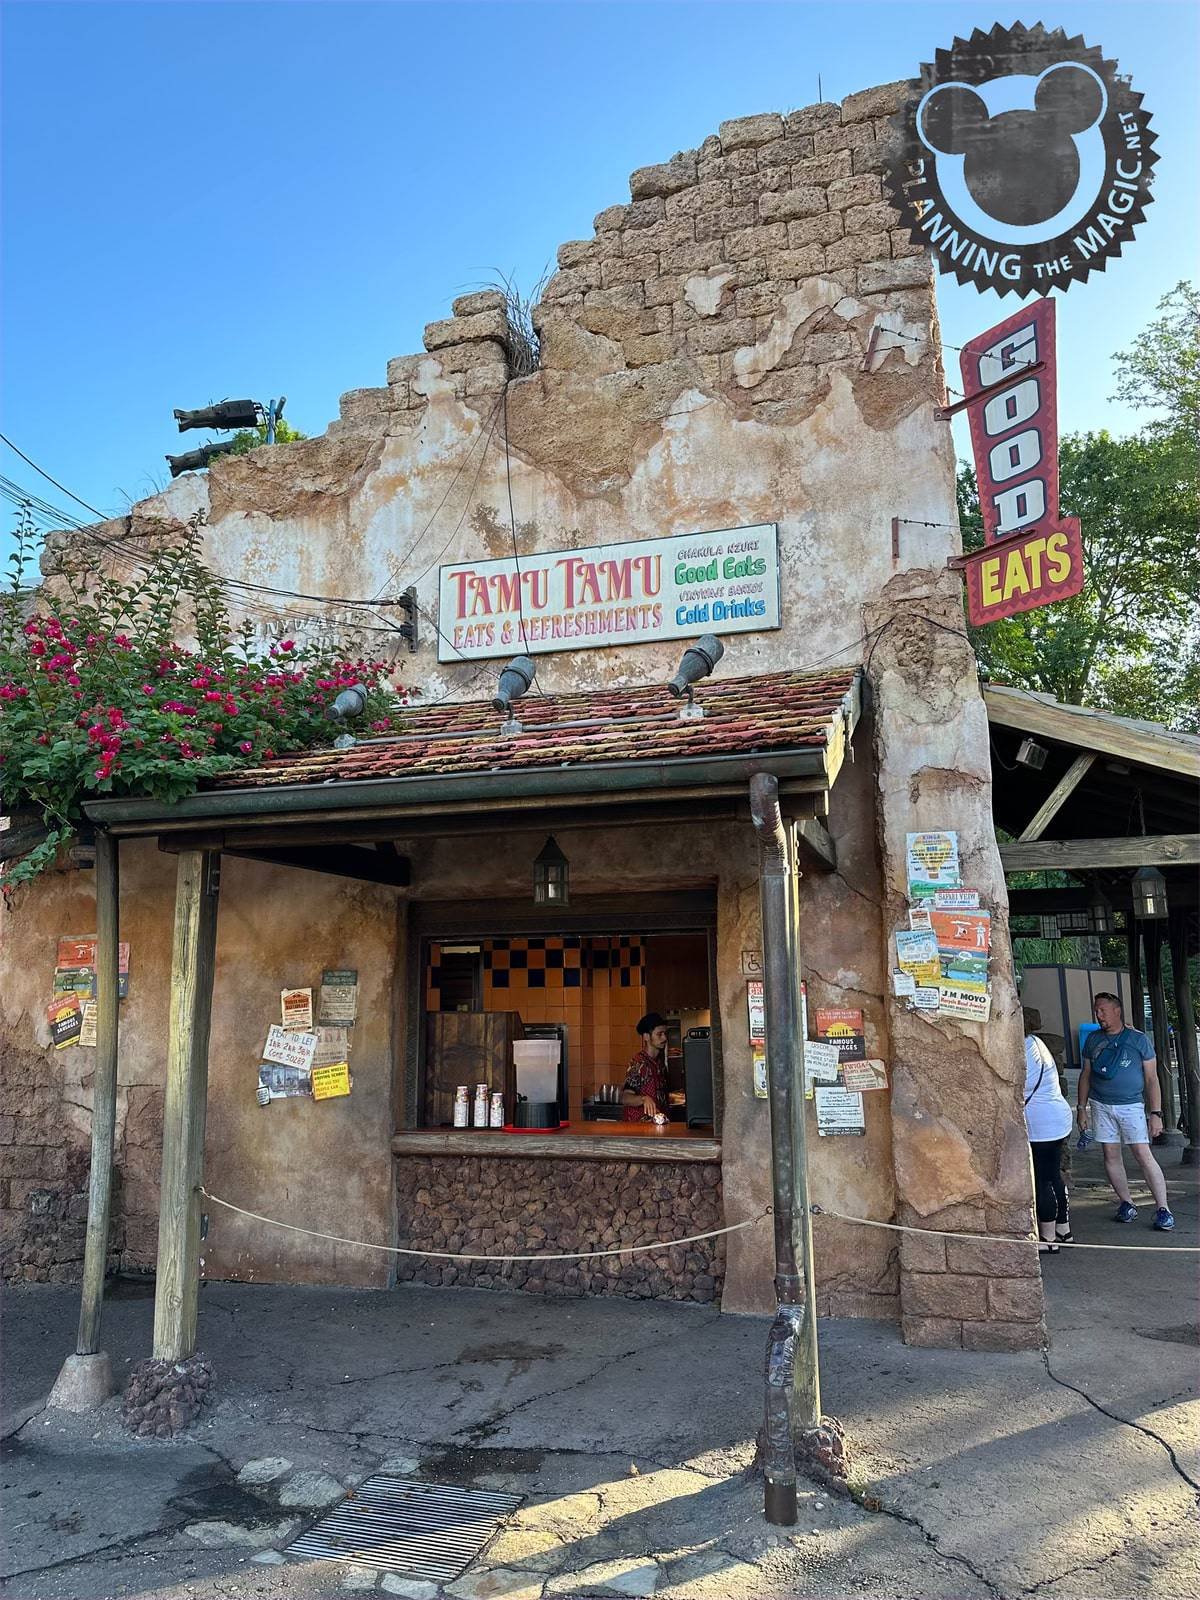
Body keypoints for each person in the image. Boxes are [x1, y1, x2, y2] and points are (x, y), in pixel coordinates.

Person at [1079, 992, 1174, 1230]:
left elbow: (1152, 1078)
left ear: (1117, 1011)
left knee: (1142, 1154)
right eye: (1096, 1010)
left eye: (1103, 1010)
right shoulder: (1092, 1040)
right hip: (1101, 1104)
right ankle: (1126, 1202)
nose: (1098, 1015)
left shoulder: (1138, 1040)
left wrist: (1156, 1113)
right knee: (1110, 1154)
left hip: (1131, 1105)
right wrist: (1082, 1108)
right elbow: (1086, 1075)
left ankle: (1163, 1207)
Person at [1022, 1007, 1073, 1253]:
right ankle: (1064, 1229)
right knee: (1053, 1174)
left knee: (1042, 1178)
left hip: (1040, 1121)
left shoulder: (1022, 1048)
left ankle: (1048, 1238)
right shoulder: (1036, 1043)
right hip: (1056, 1117)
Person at [621, 1012, 670, 1121]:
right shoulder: (638, 1063)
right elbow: (625, 1097)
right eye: (659, 1034)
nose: (664, 1038)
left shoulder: (660, 1064)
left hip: (658, 1123)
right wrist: (643, 1099)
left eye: (665, 1033)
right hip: (639, 1126)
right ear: (646, 1036)